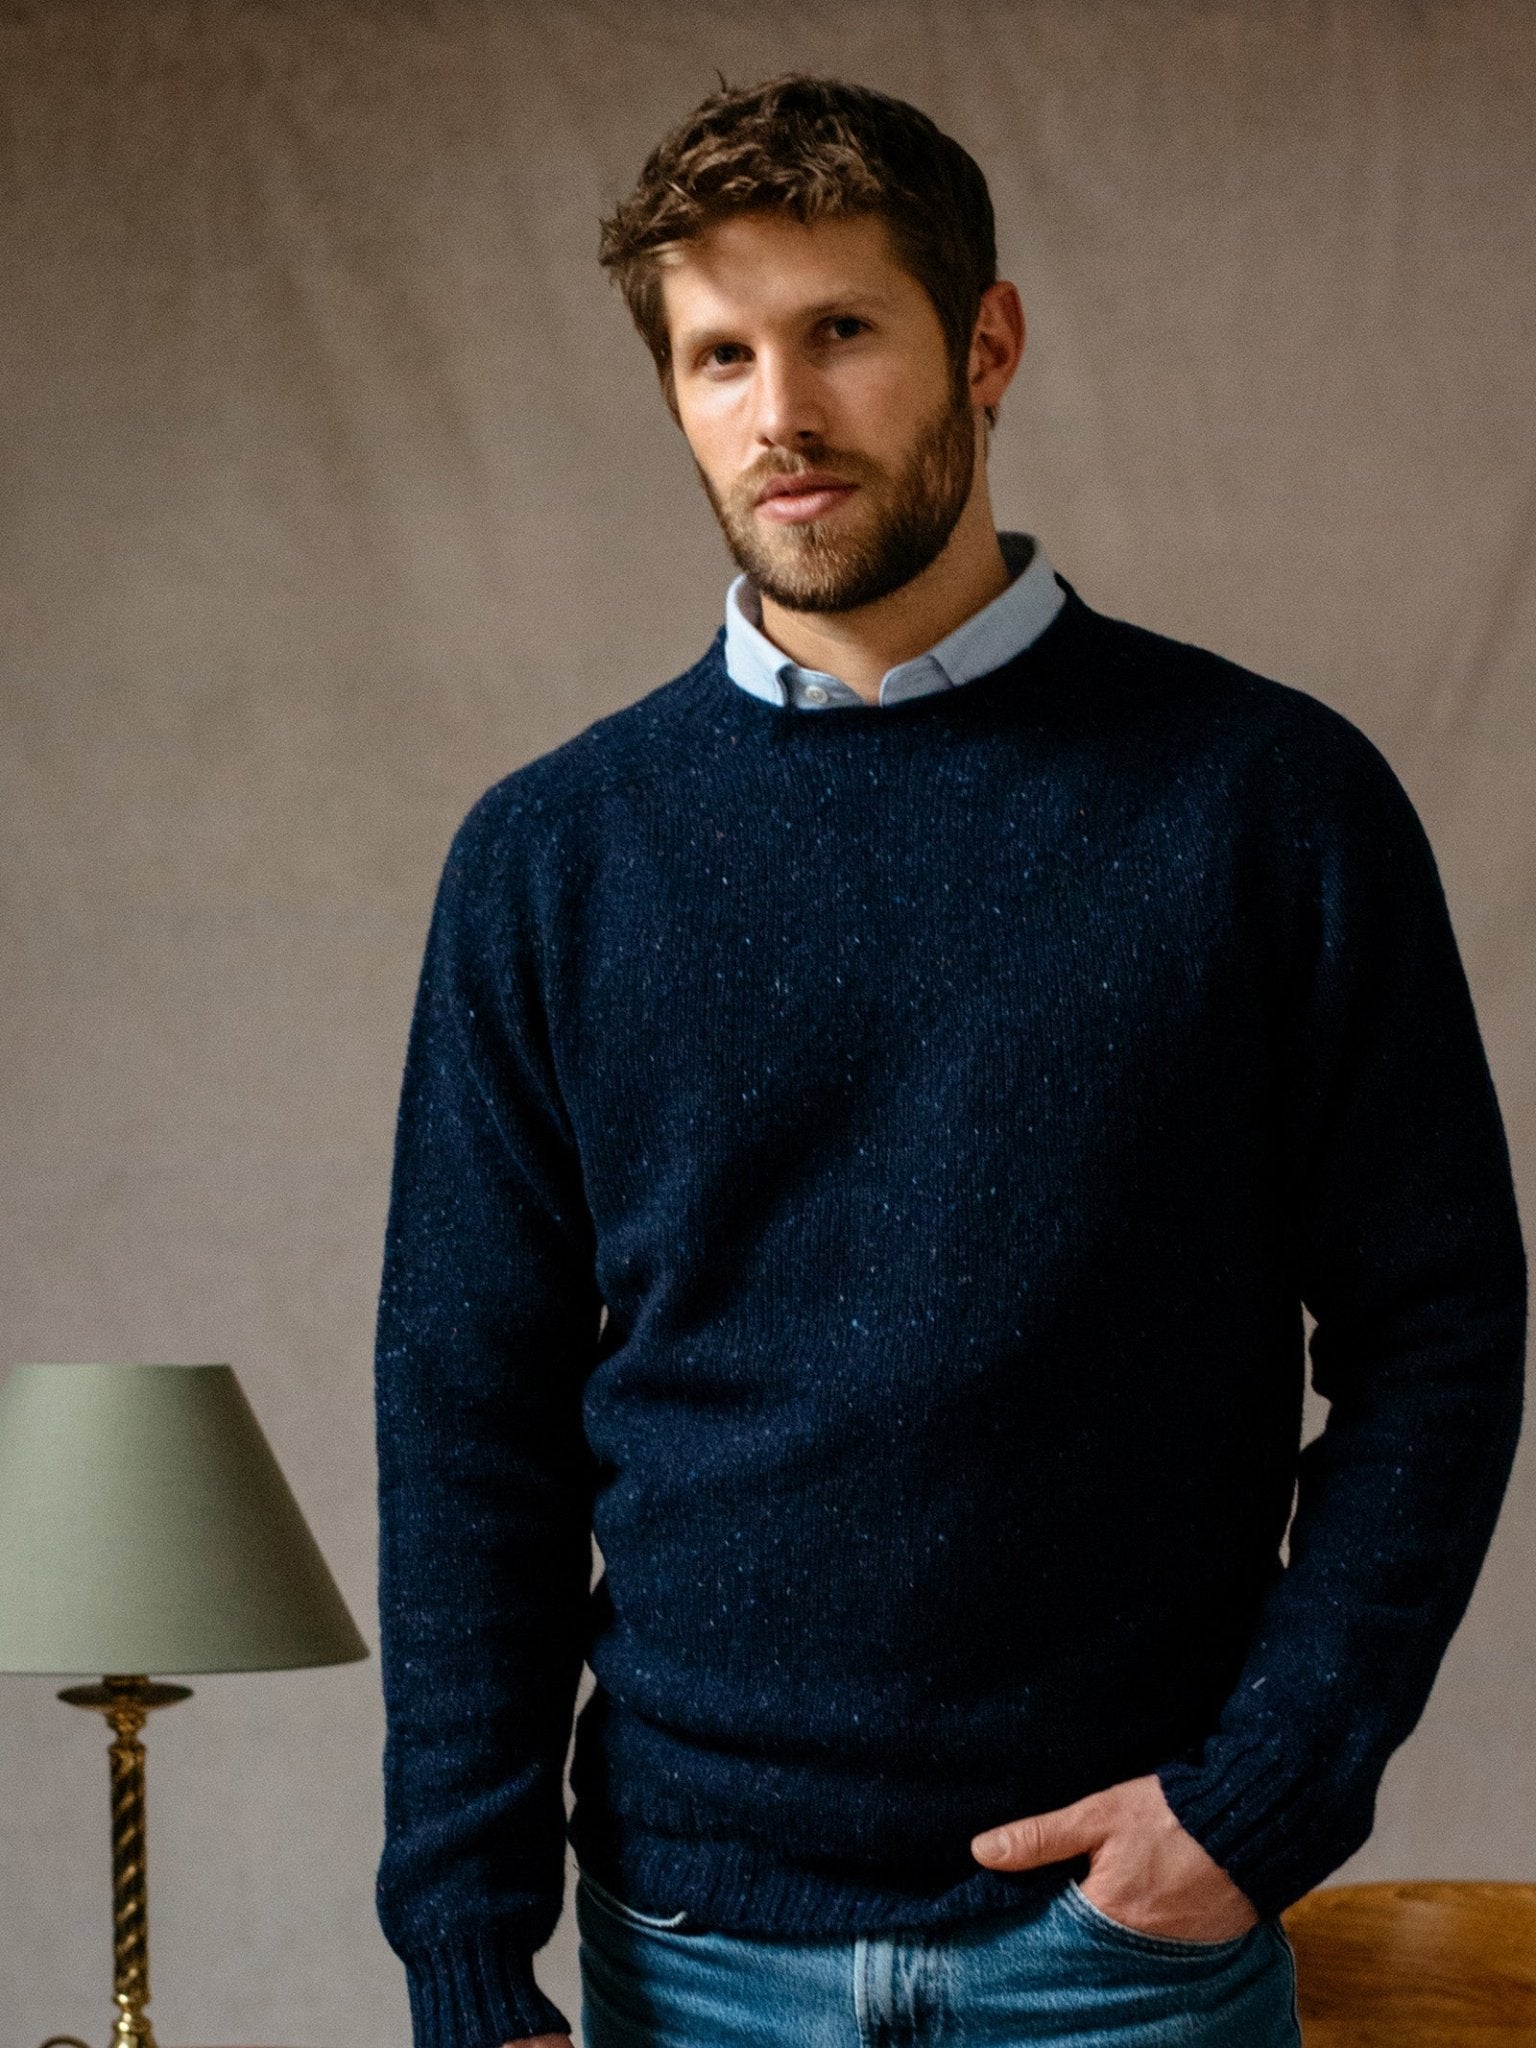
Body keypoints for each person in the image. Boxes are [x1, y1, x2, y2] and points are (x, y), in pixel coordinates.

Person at [371, 72, 1527, 2048]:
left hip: (1122, 1951)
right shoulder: (549, 860)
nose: (782, 415)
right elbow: (471, 1424)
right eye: (720, 354)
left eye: (840, 332)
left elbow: (1445, 1323)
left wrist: (1261, 1794)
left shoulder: (1266, 805)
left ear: (982, 344)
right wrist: (473, 1962)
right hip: (689, 1941)